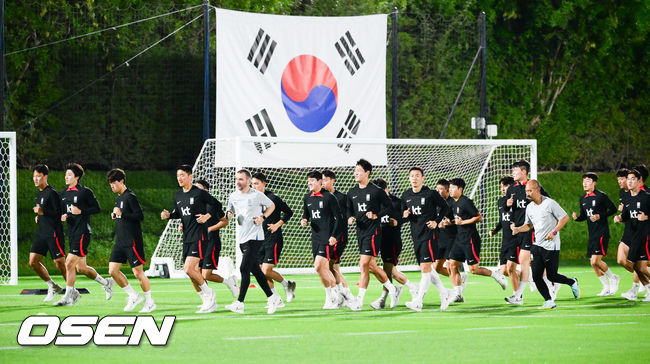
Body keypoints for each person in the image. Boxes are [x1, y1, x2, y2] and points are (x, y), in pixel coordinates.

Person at [511, 180, 580, 309]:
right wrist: (518, 229)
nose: (527, 194)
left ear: (537, 190)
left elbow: (565, 218)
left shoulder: (550, 204)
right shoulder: (530, 207)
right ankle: (548, 300)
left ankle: (572, 282)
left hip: (551, 245)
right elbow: (529, 225)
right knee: (537, 276)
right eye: (526, 191)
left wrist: (554, 231)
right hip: (537, 245)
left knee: (551, 275)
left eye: (530, 191)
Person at [160, 165, 219, 313]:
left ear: (190, 176)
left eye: (182, 175)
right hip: (187, 237)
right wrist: (169, 216)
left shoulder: (199, 193)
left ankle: (209, 294)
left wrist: (207, 216)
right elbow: (179, 213)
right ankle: (207, 300)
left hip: (199, 236)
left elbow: (216, 204)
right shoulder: (178, 196)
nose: (179, 178)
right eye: (178, 176)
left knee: (189, 268)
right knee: (190, 272)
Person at [224, 169, 282, 314]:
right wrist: (229, 214)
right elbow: (230, 210)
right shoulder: (233, 196)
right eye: (237, 179)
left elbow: (272, 206)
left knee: (244, 268)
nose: (238, 182)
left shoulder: (257, 195)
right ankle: (272, 297)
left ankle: (239, 303)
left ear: (248, 181)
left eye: (241, 179)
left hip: (255, 237)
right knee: (255, 270)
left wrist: (262, 217)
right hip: (242, 238)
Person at [55, 163, 113, 306]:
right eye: (66, 174)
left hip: (83, 232)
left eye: (69, 174)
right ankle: (106, 283)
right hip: (72, 233)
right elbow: (65, 212)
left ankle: (68, 297)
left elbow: (97, 208)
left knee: (68, 263)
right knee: (81, 268)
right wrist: (64, 216)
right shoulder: (64, 194)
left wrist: (81, 212)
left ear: (77, 177)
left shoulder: (85, 192)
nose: (66, 177)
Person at [346, 159, 399, 310]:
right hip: (360, 232)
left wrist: (377, 214)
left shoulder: (376, 191)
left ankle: (359, 301)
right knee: (371, 266)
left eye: (359, 170)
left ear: (367, 173)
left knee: (363, 264)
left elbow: (389, 206)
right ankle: (393, 290)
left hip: (373, 232)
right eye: (355, 170)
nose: (355, 173)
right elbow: (349, 208)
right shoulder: (352, 192)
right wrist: (350, 217)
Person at [447, 178, 507, 303]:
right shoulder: (453, 203)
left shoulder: (466, 202)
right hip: (459, 239)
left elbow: (479, 217)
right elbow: (457, 220)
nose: (450, 190)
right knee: (451, 265)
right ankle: (458, 294)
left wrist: (463, 222)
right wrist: (450, 222)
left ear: (460, 189)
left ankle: (495, 273)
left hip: (470, 239)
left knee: (473, 269)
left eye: (453, 188)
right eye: (450, 188)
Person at [401, 168, 452, 311]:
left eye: (417, 176)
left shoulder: (431, 194)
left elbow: (445, 207)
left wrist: (436, 221)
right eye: (412, 176)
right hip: (416, 236)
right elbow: (404, 216)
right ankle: (444, 293)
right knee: (427, 269)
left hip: (429, 235)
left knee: (425, 268)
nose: (414, 178)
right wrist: (404, 215)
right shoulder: (406, 195)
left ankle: (418, 301)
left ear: (423, 178)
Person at [106, 168, 155, 312]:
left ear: (121, 181)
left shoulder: (130, 196)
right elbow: (122, 215)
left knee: (138, 273)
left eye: (114, 183)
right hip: (120, 241)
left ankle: (150, 301)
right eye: (110, 184)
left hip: (132, 241)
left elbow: (139, 216)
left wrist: (123, 213)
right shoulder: (119, 197)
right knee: (112, 270)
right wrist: (116, 215)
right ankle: (133, 295)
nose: (112, 186)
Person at [369, 177, 417, 309]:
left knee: (387, 269)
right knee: (388, 271)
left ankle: (383, 299)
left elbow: (408, 217)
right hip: (378, 238)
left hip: (392, 240)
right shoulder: (374, 202)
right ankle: (412, 287)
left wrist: (398, 222)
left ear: (387, 189)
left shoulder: (397, 202)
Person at [301, 171, 345, 309]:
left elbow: (339, 219)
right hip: (315, 238)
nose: (309, 183)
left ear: (320, 182)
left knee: (319, 265)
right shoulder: (307, 198)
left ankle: (333, 297)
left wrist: (334, 236)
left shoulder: (329, 198)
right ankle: (334, 297)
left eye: (312, 181)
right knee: (322, 270)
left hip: (327, 238)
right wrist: (304, 220)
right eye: (308, 181)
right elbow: (306, 214)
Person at [251, 172, 296, 304]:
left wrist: (277, 225)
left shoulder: (273, 198)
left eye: (257, 183)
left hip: (273, 238)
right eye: (252, 183)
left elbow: (289, 212)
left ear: (264, 184)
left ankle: (286, 285)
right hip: (258, 239)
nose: (254, 186)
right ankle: (275, 299)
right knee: (261, 272)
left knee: (266, 270)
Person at [507, 160, 550, 300]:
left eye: (515, 170)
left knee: (524, 261)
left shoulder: (534, 187)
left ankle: (518, 296)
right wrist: (512, 222)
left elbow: (548, 203)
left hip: (529, 229)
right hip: (516, 230)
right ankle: (551, 282)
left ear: (524, 172)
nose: (513, 173)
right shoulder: (511, 189)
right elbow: (512, 211)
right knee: (509, 267)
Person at [571, 172, 619, 296]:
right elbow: (584, 216)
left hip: (602, 231)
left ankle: (613, 277)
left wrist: (600, 216)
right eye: (583, 181)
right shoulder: (583, 199)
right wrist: (577, 218)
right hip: (592, 234)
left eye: (588, 181)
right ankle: (606, 287)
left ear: (594, 183)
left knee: (596, 260)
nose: (585, 183)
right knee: (593, 263)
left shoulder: (601, 196)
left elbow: (613, 209)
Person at [194, 180, 239, 300]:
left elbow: (225, 221)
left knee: (206, 274)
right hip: (197, 243)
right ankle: (207, 300)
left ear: (206, 190)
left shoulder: (212, 204)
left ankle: (228, 282)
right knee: (194, 273)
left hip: (211, 242)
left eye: (198, 188)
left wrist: (209, 229)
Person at [30, 164, 66, 302]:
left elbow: (59, 214)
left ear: (45, 176)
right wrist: (39, 216)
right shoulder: (39, 193)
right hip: (42, 232)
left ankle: (71, 291)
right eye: (34, 176)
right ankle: (53, 286)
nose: (36, 179)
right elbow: (44, 211)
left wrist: (42, 212)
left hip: (54, 232)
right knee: (33, 261)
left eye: (38, 176)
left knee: (59, 263)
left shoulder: (52, 193)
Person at [614, 169, 650, 302]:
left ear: (639, 181)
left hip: (644, 236)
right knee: (632, 264)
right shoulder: (627, 198)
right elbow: (626, 215)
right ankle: (645, 290)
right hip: (632, 236)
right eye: (628, 179)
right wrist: (619, 218)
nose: (629, 181)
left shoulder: (646, 196)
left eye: (633, 179)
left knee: (640, 267)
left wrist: (647, 217)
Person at [322, 169, 355, 304]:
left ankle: (343, 295)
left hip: (339, 236)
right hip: (326, 236)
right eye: (322, 180)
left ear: (332, 180)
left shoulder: (341, 197)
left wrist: (350, 218)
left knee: (328, 266)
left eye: (325, 180)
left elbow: (349, 212)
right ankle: (343, 295)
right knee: (333, 268)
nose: (323, 183)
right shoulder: (320, 197)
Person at [489, 176, 521, 304]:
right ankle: (528, 278)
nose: (503, 188)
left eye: (506, 186)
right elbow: (503, 220)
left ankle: (517, 296)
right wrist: (495, 230)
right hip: (505, 240)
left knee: (511, 268)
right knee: (504, 270)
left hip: (516, 238)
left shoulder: (518, 200)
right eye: (501, 186)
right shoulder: (501, 201)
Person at [436, 179, 467, 299]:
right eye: (437, 188)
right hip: (440, 238)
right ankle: (460, 279)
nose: (438, 191)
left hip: (453, 238)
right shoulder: (437, 202)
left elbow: (459, 220)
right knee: (437, 268)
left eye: (441, 189)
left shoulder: (453, 203)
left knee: (450, 265)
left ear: (447, 190)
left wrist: (450, 222)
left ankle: (457, 293)